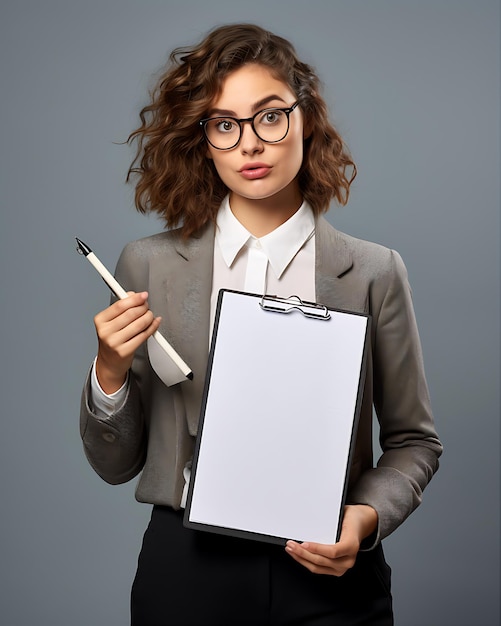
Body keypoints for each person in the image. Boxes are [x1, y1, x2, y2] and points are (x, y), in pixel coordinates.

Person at [80, 23, 442, 626]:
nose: (250, 143)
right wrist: (110, 371)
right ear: (204, 141)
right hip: (187, 571)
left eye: (269, 116)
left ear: (306, 120)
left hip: (330, 571)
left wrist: (365, 519)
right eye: (225, 125)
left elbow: (414, 442)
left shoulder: (375, 272)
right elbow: (115, 466)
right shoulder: (147, 264)